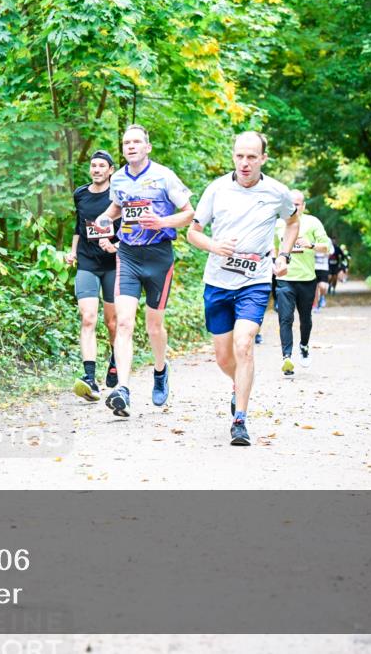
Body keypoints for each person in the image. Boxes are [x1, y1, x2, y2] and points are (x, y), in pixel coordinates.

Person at [186, 131, 299, 446]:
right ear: (233, 156)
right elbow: (193, 233)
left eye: (252, 156)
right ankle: (239, 384)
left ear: (263, 158)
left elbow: (292, 222)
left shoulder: (277, 192)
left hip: (256, 279)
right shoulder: (217, 189)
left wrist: (284, 255)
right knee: (224, 357)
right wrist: (214, 245)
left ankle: (240, 421)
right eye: (240, 156)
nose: (245, 163)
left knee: (244, 345)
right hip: (218, 282)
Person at [92, 125, 195, 417]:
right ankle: (122, 389)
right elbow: (116, 208)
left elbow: (189, 213)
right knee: (124, 323)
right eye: (126, 142)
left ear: (147, 147)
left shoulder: (164, 176)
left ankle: (160, 371)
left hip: (159, 257)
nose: (131, 146)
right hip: (128, 255)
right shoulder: (119, 178)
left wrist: (161, 222)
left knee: (154, 327)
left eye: (137, 142)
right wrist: (104, 218)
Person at [66, 150, 121, 401]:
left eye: (102, 166)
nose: (97, 169)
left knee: (112, 323)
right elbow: (79, 225)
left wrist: (117, 246)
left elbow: (130, 227)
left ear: (110, 170)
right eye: (93, 166)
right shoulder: (80, 194)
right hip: (87, 263)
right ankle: (90, 378)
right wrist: (73, 251)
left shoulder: (117, 195)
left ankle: (115, 360)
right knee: (88, 318)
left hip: (113, 264)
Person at [274, 190, 330, 375]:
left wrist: (311, 245)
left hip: (307, 279)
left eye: (298, 204)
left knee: (305, 318)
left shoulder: (313, 222)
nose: (295, 207)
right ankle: (286, 358)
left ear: (304, 206)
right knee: (285, 318)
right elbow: (273, 249)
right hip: (284, 279)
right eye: (292, 204)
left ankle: (304, 346)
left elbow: (327, 248)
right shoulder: (278, 224)